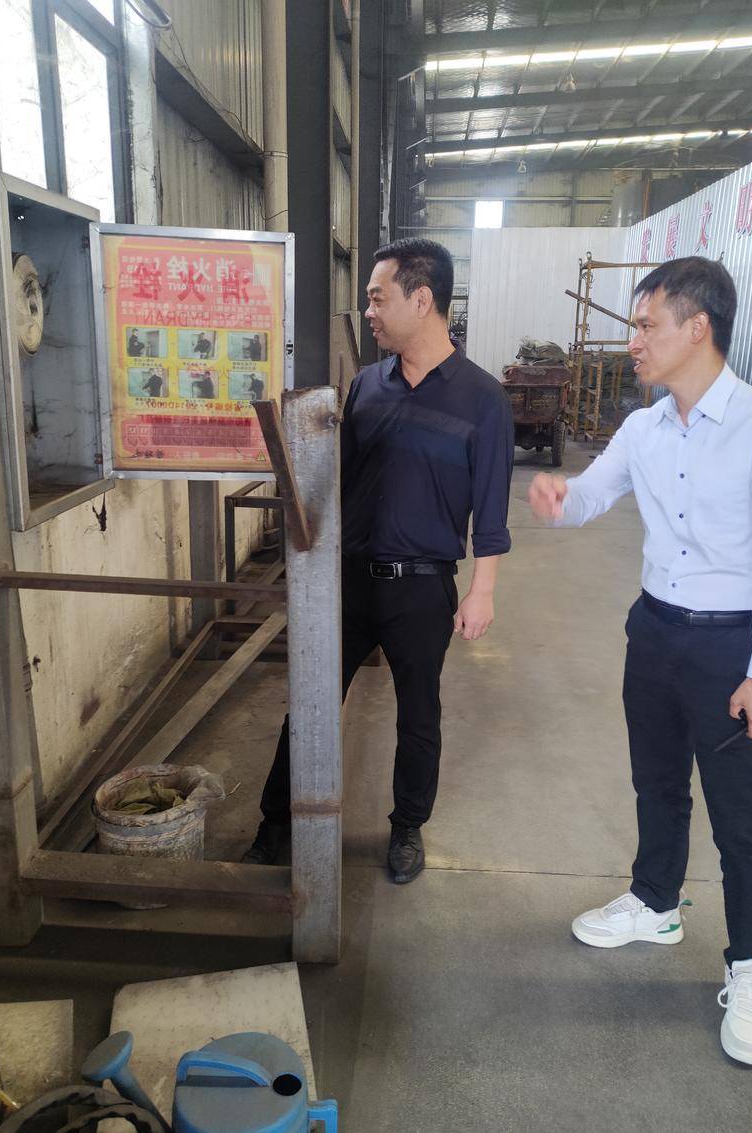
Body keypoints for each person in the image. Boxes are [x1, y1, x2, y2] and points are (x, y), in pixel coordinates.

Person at [528, 256, 752, 1066]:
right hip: (653, 632)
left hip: (729, 647)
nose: (634, 340)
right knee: (656, 781)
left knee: (738, 813)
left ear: (698, 327)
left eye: (647, 324)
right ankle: (656, 902)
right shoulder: (643, 428)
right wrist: (559, 500)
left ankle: (748, 964)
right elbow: (591, 496)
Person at [243, 238, 515, 884]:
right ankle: (276, 822)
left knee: (419, 714)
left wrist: (482, 591)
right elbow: (339, 480)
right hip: (350, 582)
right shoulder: (367, 385)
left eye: (376, 298)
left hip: (423, 588)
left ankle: (407, 826)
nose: (368, 312)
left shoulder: (482, 399)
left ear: (421, 300)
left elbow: (491, 508)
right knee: (311, 703)